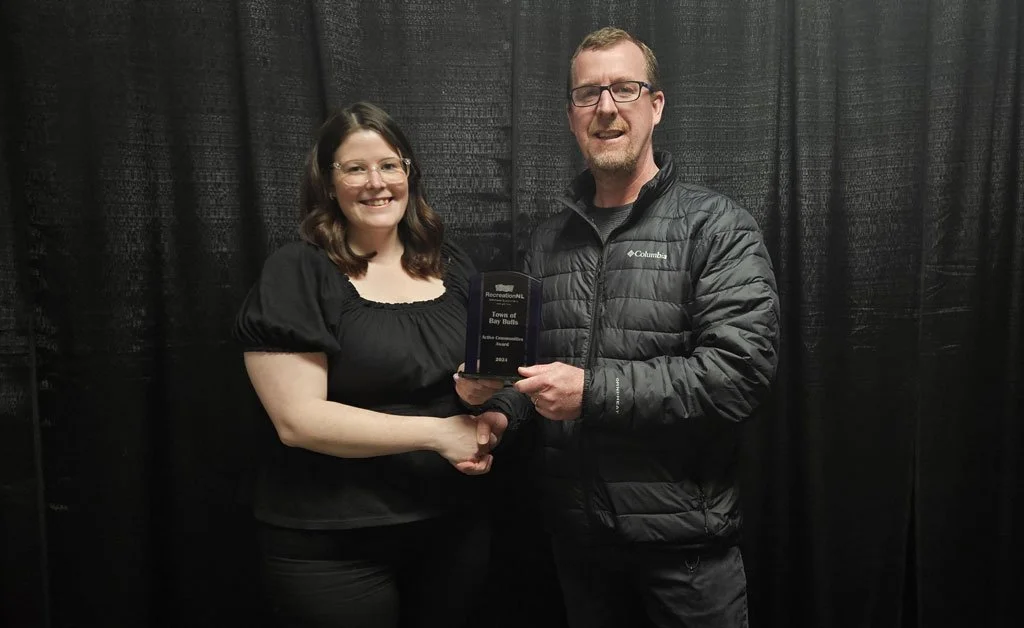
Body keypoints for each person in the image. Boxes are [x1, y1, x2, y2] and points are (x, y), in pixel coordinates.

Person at [457, 27, 780, 628]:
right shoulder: (547, 241)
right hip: (579, 548)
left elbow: (738, 374)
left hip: (686, 556)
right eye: (588, 94)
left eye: (624, 89)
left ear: (655, 105)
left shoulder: (717, 227)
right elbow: (528, 374)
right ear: (572, 114)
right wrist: (496, 413)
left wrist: (592, 393)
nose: (606, 108)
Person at [233, 101, 497, 628]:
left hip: (451, 529)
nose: (375, 182)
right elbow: (297, 421)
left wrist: (490, 409)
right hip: (333, 544)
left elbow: (495, 375)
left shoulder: (455, 265)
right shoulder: (297, 272)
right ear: (329, 183)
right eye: (354, 168)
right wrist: (440, 434)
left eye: (389, 165)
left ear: (409, 174)